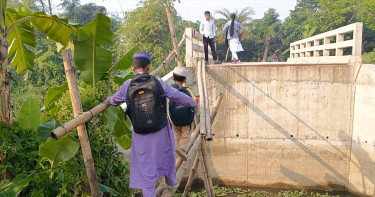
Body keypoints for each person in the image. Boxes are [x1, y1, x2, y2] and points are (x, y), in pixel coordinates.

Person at [107, 51, 197, 197]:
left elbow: (115, 100)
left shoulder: (127, 85)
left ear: (132, 68)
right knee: (167, 154)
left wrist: (109, 100)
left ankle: (149, 194)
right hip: (161, 129)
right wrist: (193, 103)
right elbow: (177, 95)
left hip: (140, 132)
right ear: (149, 67)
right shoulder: (158, 82)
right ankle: (171, 180)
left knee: (145, 164)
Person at [169, 67, 198, 157]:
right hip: (186, 117)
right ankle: (182, 149)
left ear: (173, 78)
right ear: (185, 79)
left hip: (174, 117)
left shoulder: (170, 89)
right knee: (186, 134)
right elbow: (195, 103)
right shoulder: (188, 90)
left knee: (178, 134)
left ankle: (179, 150)